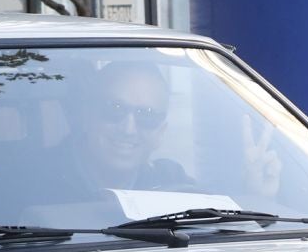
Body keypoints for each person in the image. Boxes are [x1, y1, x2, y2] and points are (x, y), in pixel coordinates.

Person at [42, 60, 195, 204]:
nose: (129, 129)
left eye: (146, 115)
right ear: (87, 116)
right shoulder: (32, 181)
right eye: (115, 109)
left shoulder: (172, 182)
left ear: (160, 132)